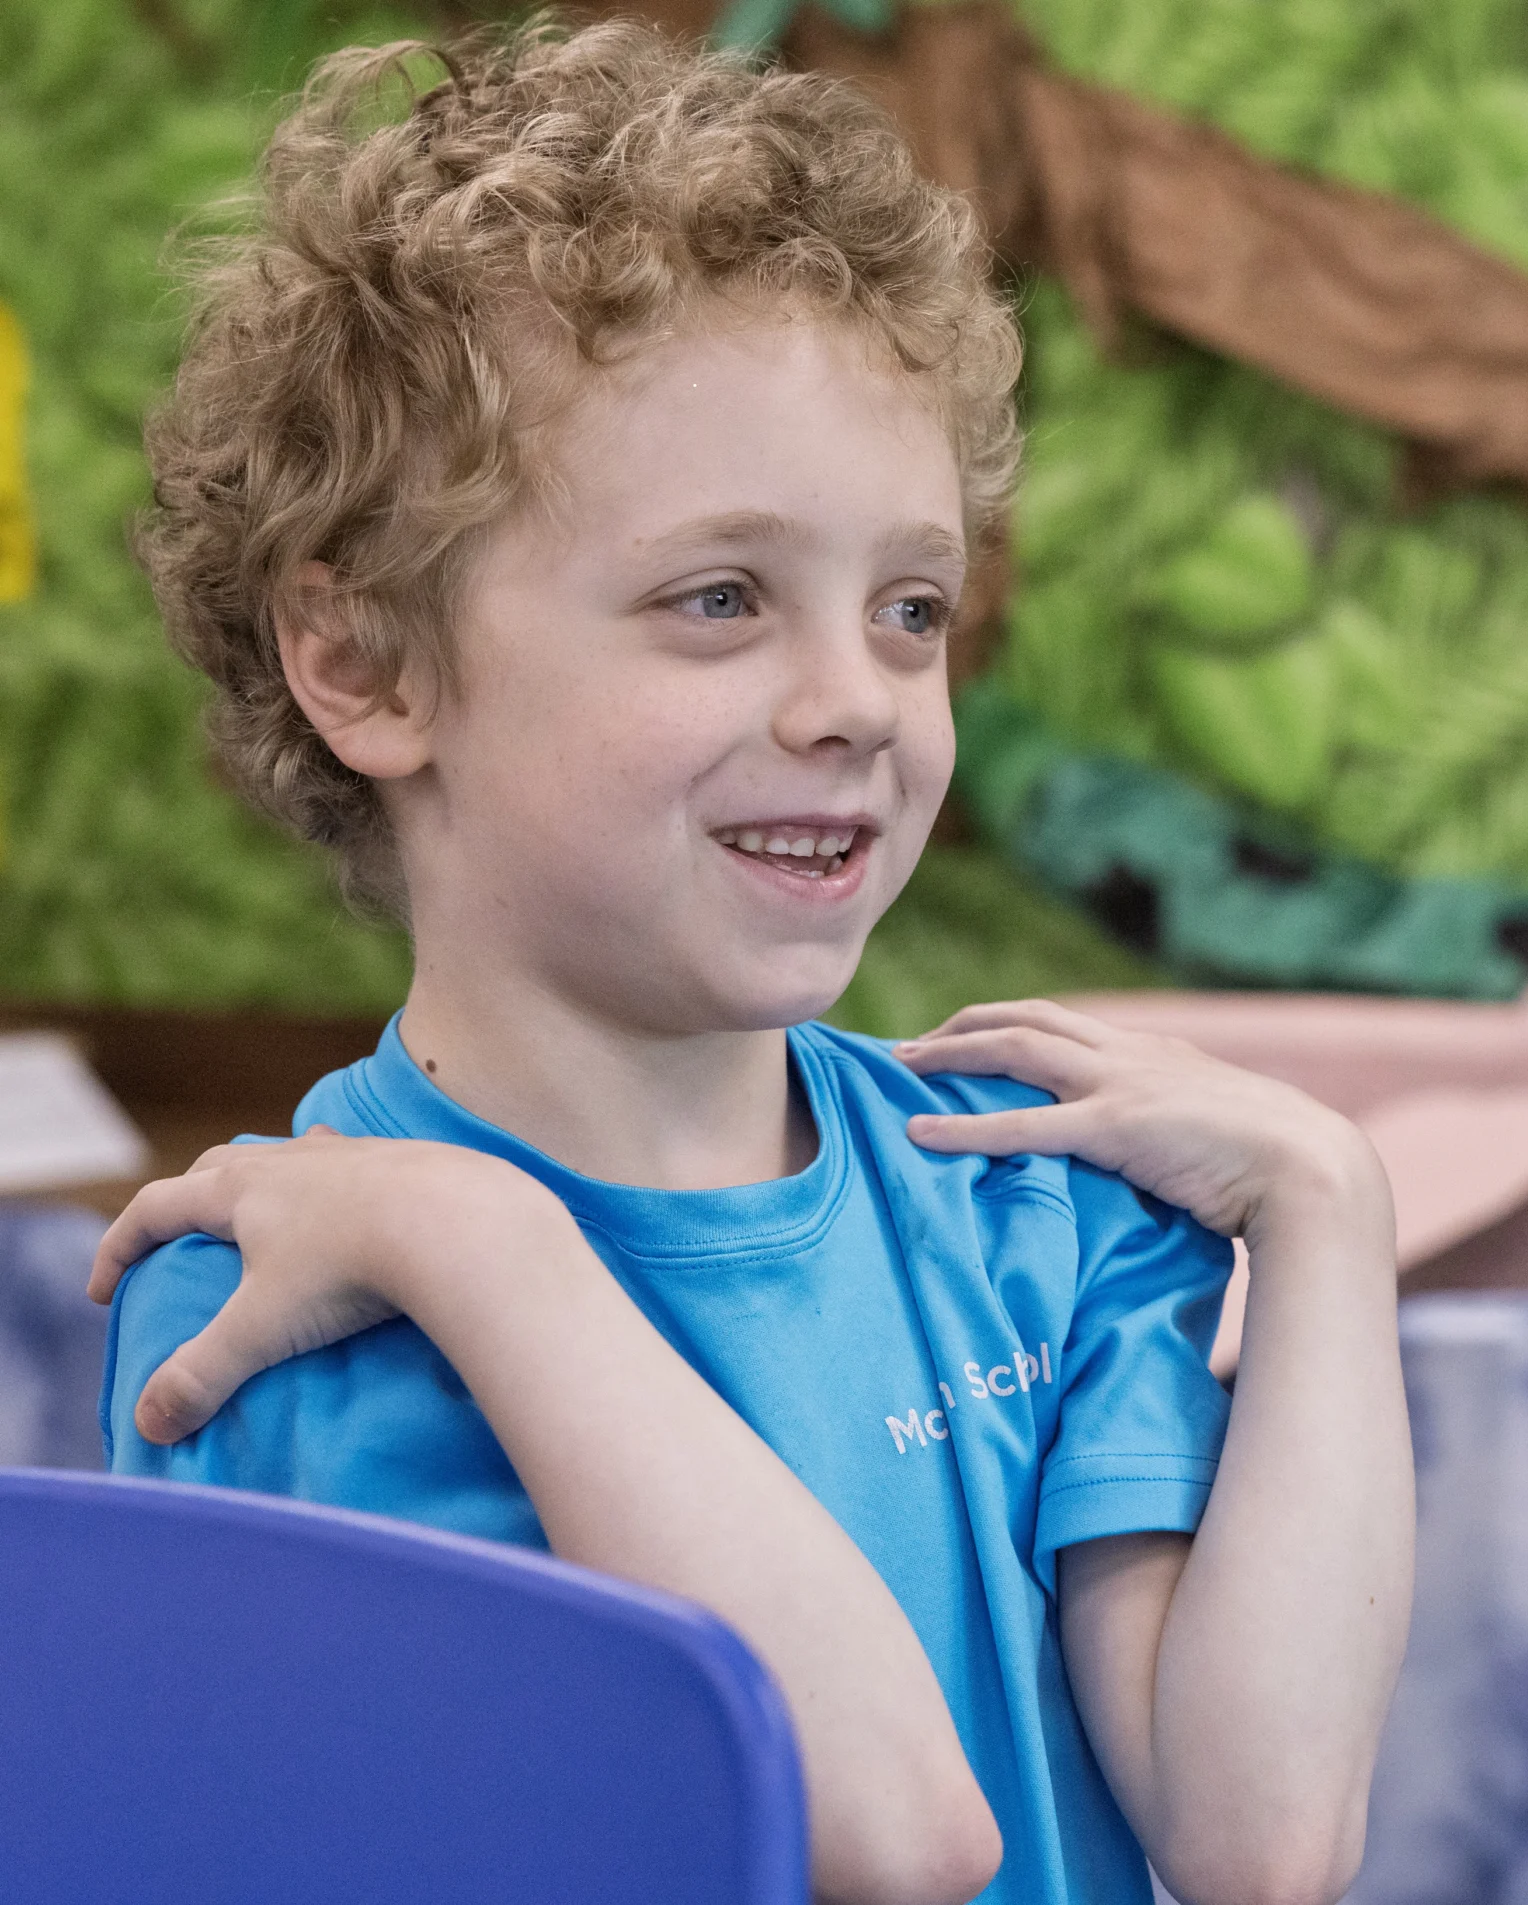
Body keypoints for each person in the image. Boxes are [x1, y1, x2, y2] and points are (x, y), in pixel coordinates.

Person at [92, 21, 1413, 1905]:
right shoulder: (284, 1301)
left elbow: (1259, 1841)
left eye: (912, 607)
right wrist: (494, 1256)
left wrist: (1328, 1210)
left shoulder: (1034, 1207)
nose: (857, 700)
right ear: (367, 664)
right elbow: (887, 1833)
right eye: (720, 598)